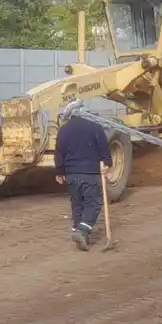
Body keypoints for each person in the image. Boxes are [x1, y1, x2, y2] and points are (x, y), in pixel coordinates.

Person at [53, 100, 112, 251]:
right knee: (93, 203)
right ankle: (82, 231)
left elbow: (59, 152)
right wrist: (107, 164)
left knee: (77, 203)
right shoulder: (95, 127)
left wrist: (59, 171)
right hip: (90, 172)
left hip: (72, 174)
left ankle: (79, 232)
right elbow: (104, 147)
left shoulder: (64, 130)